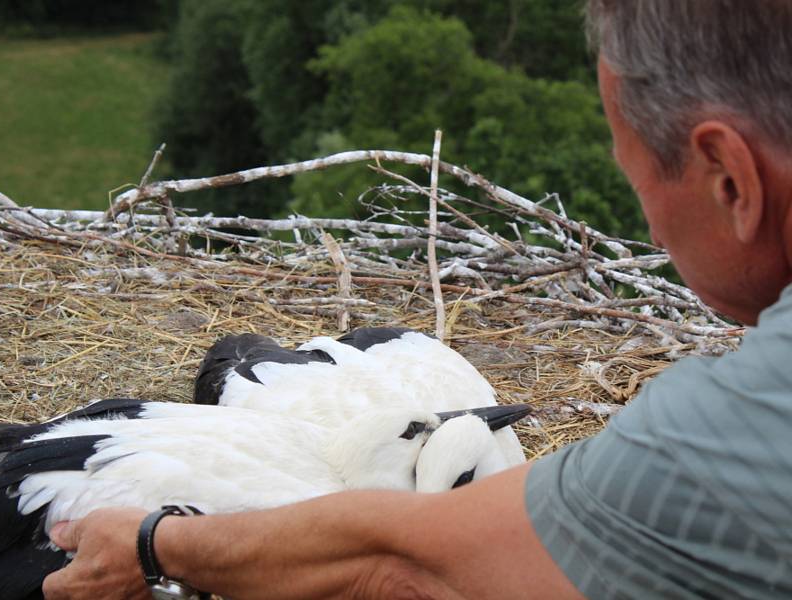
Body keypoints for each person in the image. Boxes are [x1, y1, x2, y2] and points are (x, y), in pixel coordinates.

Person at [43, 1, 792, 598]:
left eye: (638, 183)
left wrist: (153, 546)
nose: (653, 231)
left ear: (730, 178)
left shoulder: (745, 419)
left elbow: (418, 566)